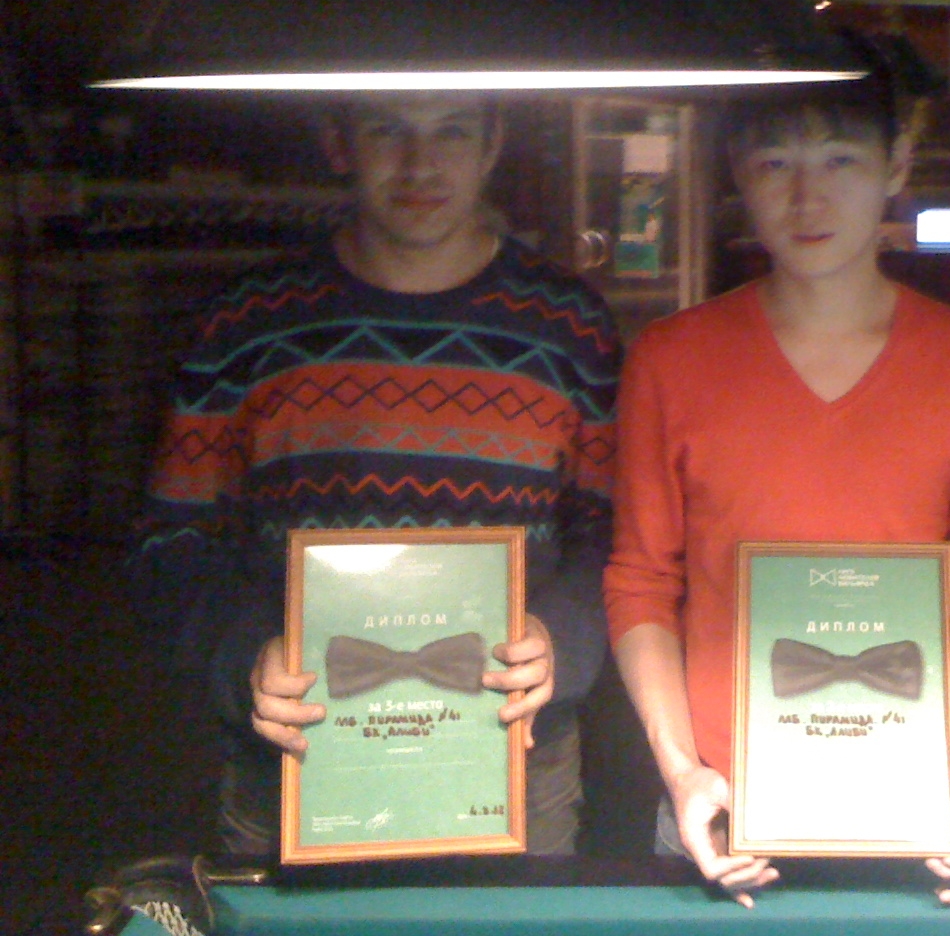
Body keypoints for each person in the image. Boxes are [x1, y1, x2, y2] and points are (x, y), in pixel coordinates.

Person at [131, 93, 620, 856]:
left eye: (451, 130)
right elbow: (171, 540)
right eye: (387, 130)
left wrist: (566, 639)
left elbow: (619, 538)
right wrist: (243, 654)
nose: (420, 165)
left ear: (492, 145)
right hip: (293, 759)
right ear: (339, 145)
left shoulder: (572, 329)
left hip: (515, 759)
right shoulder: (245, 324)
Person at [603, 85, 950, 906]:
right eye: (774, 164)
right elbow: (641, 579)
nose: (807, 197)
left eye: (840, 161)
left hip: (914, 794)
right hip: (722, 805)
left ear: (895, 165)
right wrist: (682, 773)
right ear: (737, 175)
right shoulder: (670, 359)